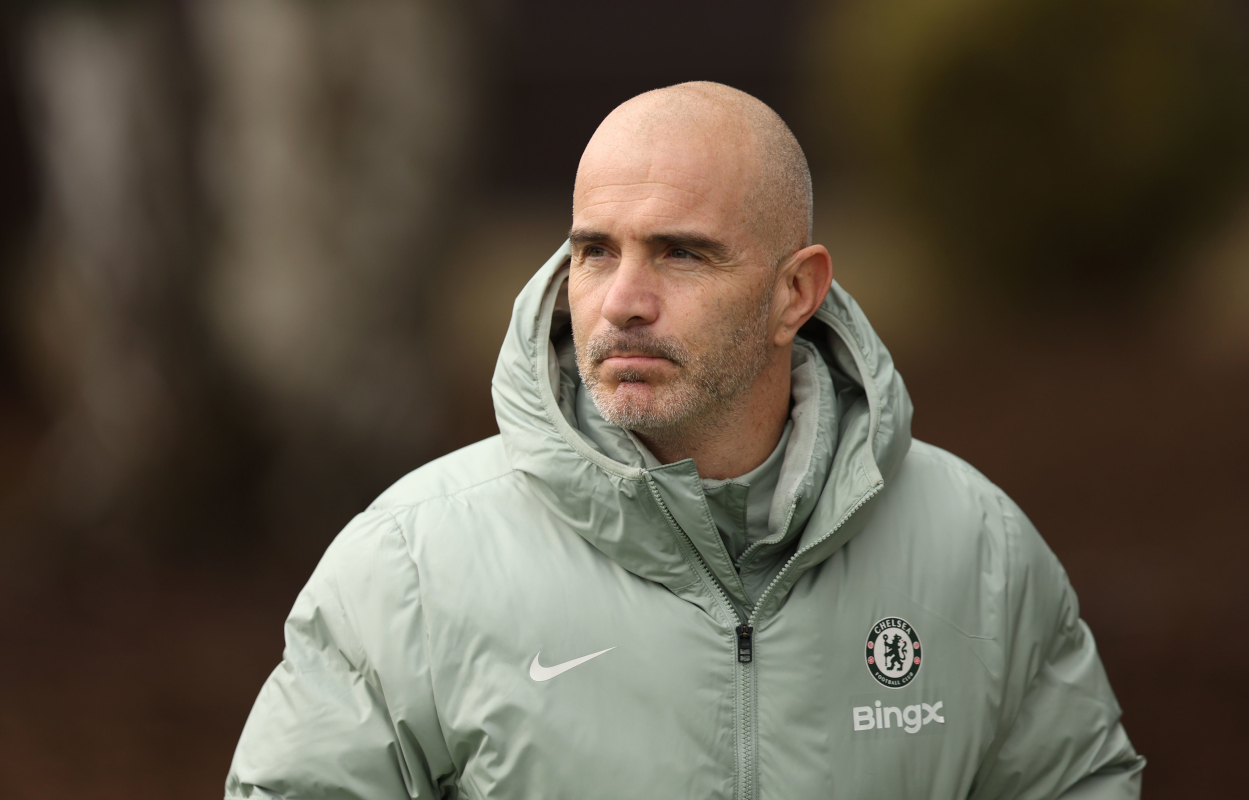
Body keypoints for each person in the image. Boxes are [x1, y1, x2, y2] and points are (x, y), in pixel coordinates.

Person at [225, 82, 1144, 799]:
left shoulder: (975, 552)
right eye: (594, 251)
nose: (623, 298)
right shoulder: (406, 570)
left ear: (796, 293)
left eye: (680, 252)